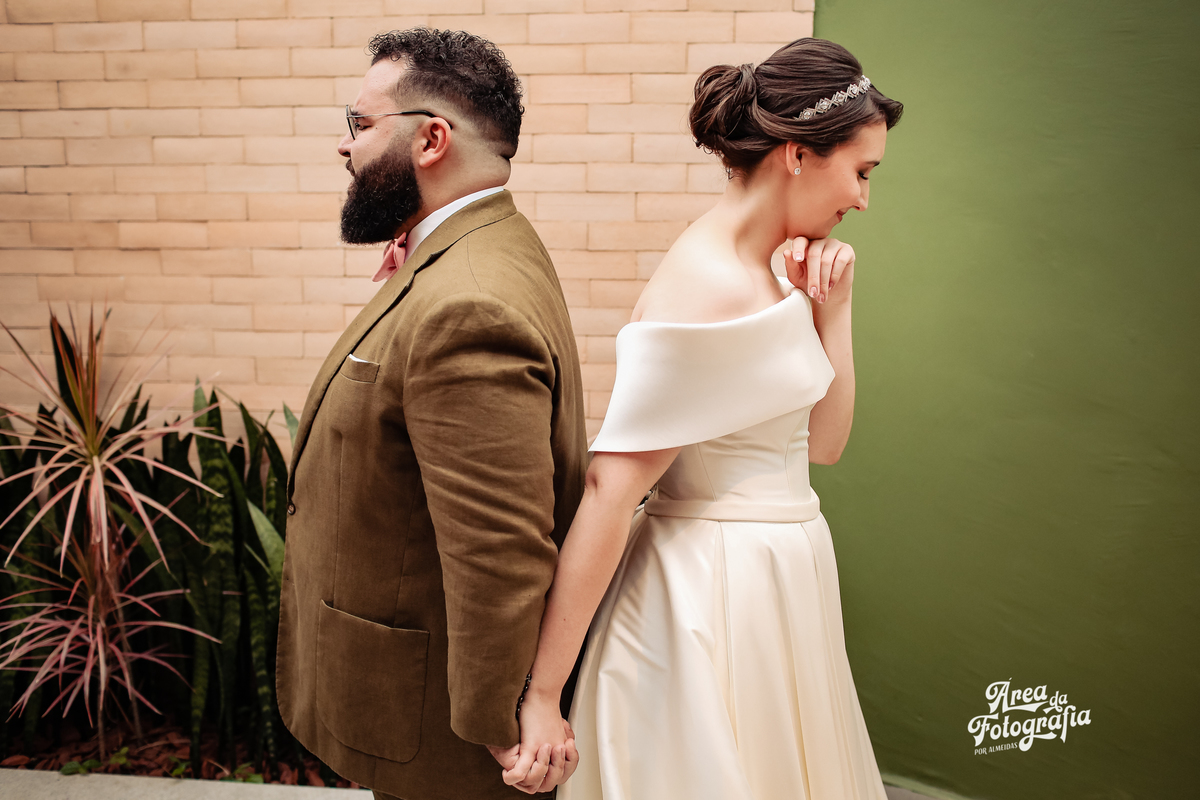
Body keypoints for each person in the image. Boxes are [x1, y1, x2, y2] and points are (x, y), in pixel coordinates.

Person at [499, 38, 904, 799]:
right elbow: (610, 491)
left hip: (776, 586)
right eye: (862, 171)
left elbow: (823, 445)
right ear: (796, 154)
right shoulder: (707, 286)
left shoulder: (772, 273)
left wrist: (833, 309)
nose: (862, 199)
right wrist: (543, 696)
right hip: (708, 600)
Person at [274, 28, 587, 800]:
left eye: (360, 123)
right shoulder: (480, 244)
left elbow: (498, 548)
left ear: (431, 139)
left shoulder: (467, 300)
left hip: (449, 740)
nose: (344, 146)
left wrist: (496, 725)